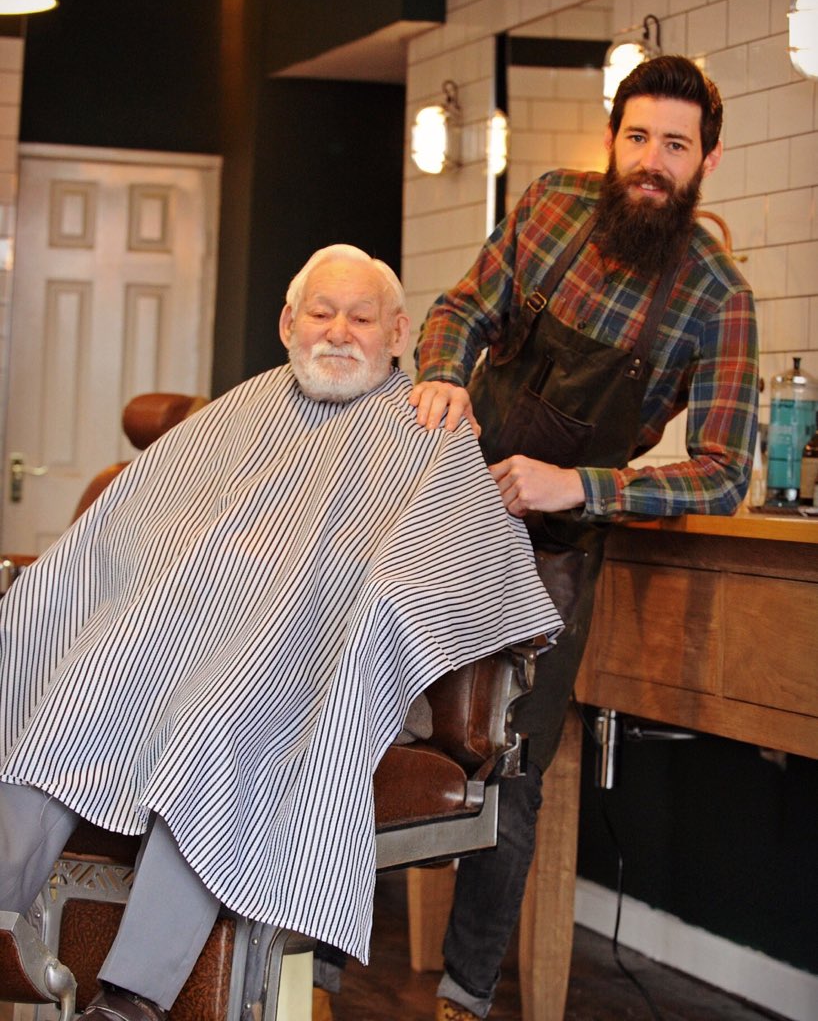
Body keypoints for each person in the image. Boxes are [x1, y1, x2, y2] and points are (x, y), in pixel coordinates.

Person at [0, 245, 562, 1021]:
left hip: (308, 662)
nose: (338, 332)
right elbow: (126, 528)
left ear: (398, 332)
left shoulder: (431, 428)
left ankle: (133, 997)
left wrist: (362, 618)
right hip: (182, 639)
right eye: (320, 313)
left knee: (212, 724)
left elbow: (461, 563)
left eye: (361, 318)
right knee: (80, 687)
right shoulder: (240, 409)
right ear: (287, 324)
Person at [409, 55, 759, 1021]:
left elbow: (725, 470)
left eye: (675, 147)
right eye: (639, 137)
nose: (652, 161)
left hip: (556, 551)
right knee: (354, 713)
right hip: (449, 503)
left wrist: (581, 484)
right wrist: (442, 373)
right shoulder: (552, 205)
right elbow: (460, 309)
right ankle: (299, 935)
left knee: (509, 770)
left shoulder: (718, 298)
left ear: (707, 162)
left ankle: (462, 996)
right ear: (614, 140)